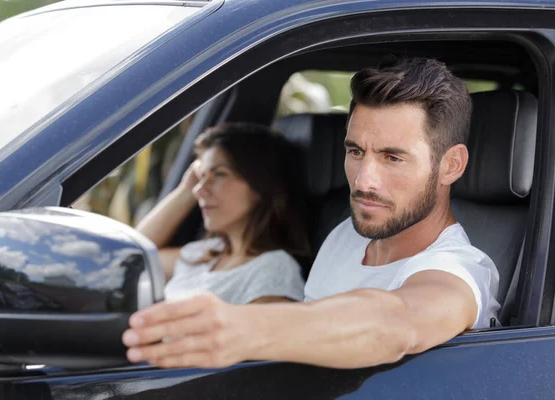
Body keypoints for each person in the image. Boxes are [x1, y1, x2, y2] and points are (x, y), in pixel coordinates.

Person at [121, 57, 500, 370]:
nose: (364, 181)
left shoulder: (459, 273)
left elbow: (394, 322)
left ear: (451, 165)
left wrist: (244, 328)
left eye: (392, 157)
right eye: (355, 152)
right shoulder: (347, 235)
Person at [136, 123, 310, 305]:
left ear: (260, 184)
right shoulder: (203, 254)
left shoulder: (274, 271)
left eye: (219, 174)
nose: (199, 190)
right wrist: (185, 191)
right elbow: (134, 254)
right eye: (201, 176)